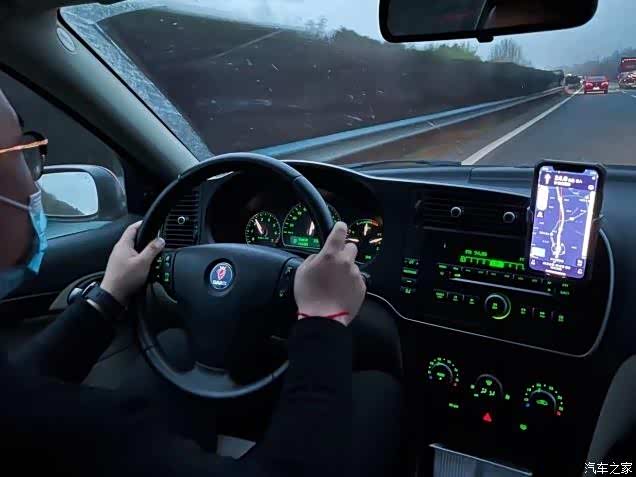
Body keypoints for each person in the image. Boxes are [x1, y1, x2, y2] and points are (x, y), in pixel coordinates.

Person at [0, 88, 402, 477]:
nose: (36, 184)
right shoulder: (87, 435)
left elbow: (25, 385)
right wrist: (324, 318)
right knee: (376, 391)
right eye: (22, 154)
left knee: (176, 345)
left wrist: (108, 296)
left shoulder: (22, 410)